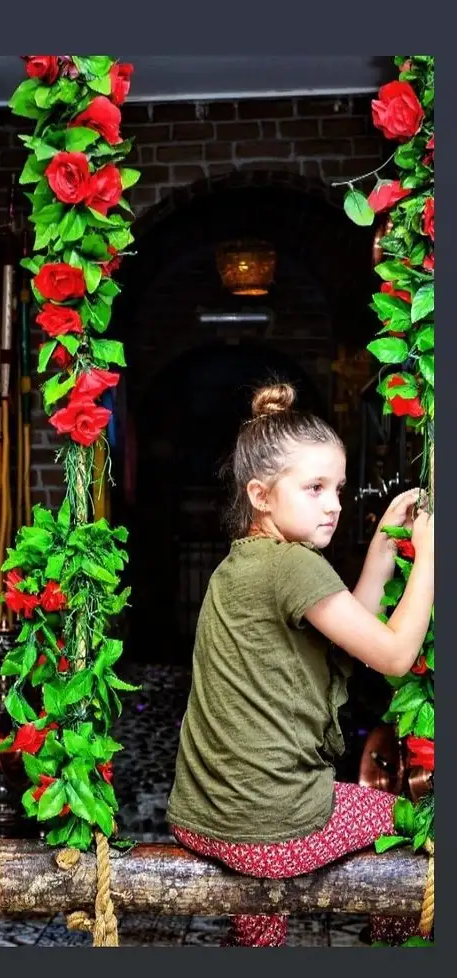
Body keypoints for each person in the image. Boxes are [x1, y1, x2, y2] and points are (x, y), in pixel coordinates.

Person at [166, 382, 434, 947]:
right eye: (314, 488)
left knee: (270, 864)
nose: (334, 503)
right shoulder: (294, 568)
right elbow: (392, 654)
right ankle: (385, 949)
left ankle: (256, 945)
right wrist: (433, 556)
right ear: (261, 495)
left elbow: (351, 634)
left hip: (200, 814)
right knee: (404, 826)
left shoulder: (242, 565)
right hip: (266, 829)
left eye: (337, 487)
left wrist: (385, 544)